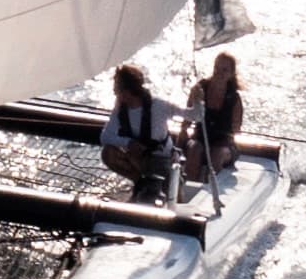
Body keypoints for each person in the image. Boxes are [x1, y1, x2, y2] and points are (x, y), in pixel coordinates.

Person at [99, 62, 174, 198]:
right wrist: (128, 142)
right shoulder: (120, 108)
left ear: (127, 91)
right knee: (108, 153)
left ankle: (154, 186)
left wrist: (196, 103)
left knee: (160, 192)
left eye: (116, 88)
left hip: (160, 159)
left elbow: (189, 114)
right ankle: (140, 182)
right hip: (138, 158)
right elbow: (105, 137)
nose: (114, 92)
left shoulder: (157, 105)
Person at [182, 51, 244, 186]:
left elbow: (236, 128)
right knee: (194, 150)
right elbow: (188, 117)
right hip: (200, 139)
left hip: (224, 144)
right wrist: (183, 132)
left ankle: (211, 190)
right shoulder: (200, 89)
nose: (219, 73)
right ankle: (188, 187)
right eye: (217, 68)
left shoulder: (234, 98)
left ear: (231, 74)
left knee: (217, 154)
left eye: (224, 70)